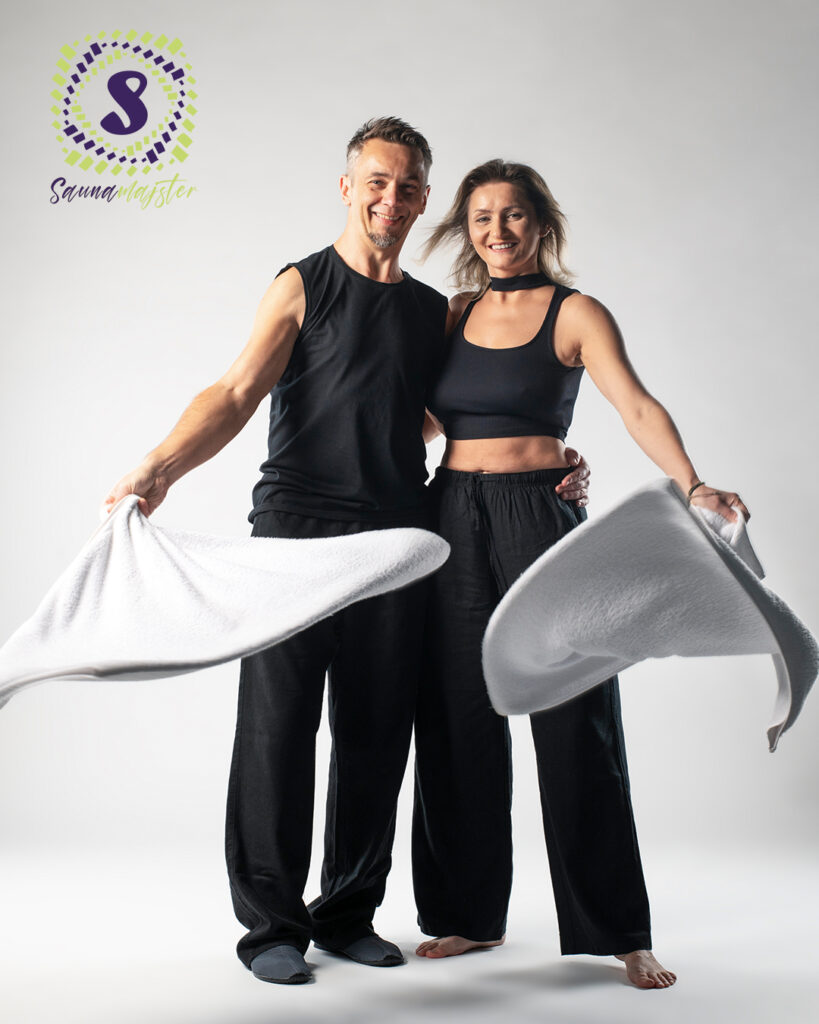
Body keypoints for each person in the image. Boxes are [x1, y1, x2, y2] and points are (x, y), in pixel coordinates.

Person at [103, 118, 591, 986]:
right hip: (294, 535)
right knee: (278, 730)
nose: (390, 200)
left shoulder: (429, 311)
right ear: (347, 187)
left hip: (395, 542)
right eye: (376, 182)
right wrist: (160, 465)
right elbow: (235, 390)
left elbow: (453, 410)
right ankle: (271, 928)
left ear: (424, 199)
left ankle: (347, 913)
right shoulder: (303, 283)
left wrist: (550, 454)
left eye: (406, 187)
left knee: (376, 731)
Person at [411, 159, 749, 990]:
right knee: (456, 715)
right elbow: (415, 425)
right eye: (482, 217)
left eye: (512, 215)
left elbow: (633, 404)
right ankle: (467, 915)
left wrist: (691, 483)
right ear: (466, 230)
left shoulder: (575, 312)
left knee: (575, 717)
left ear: (540, 223)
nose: (497, 230)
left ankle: (618, 930)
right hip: (449, 514)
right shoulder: (451, 314)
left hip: (540, 515)